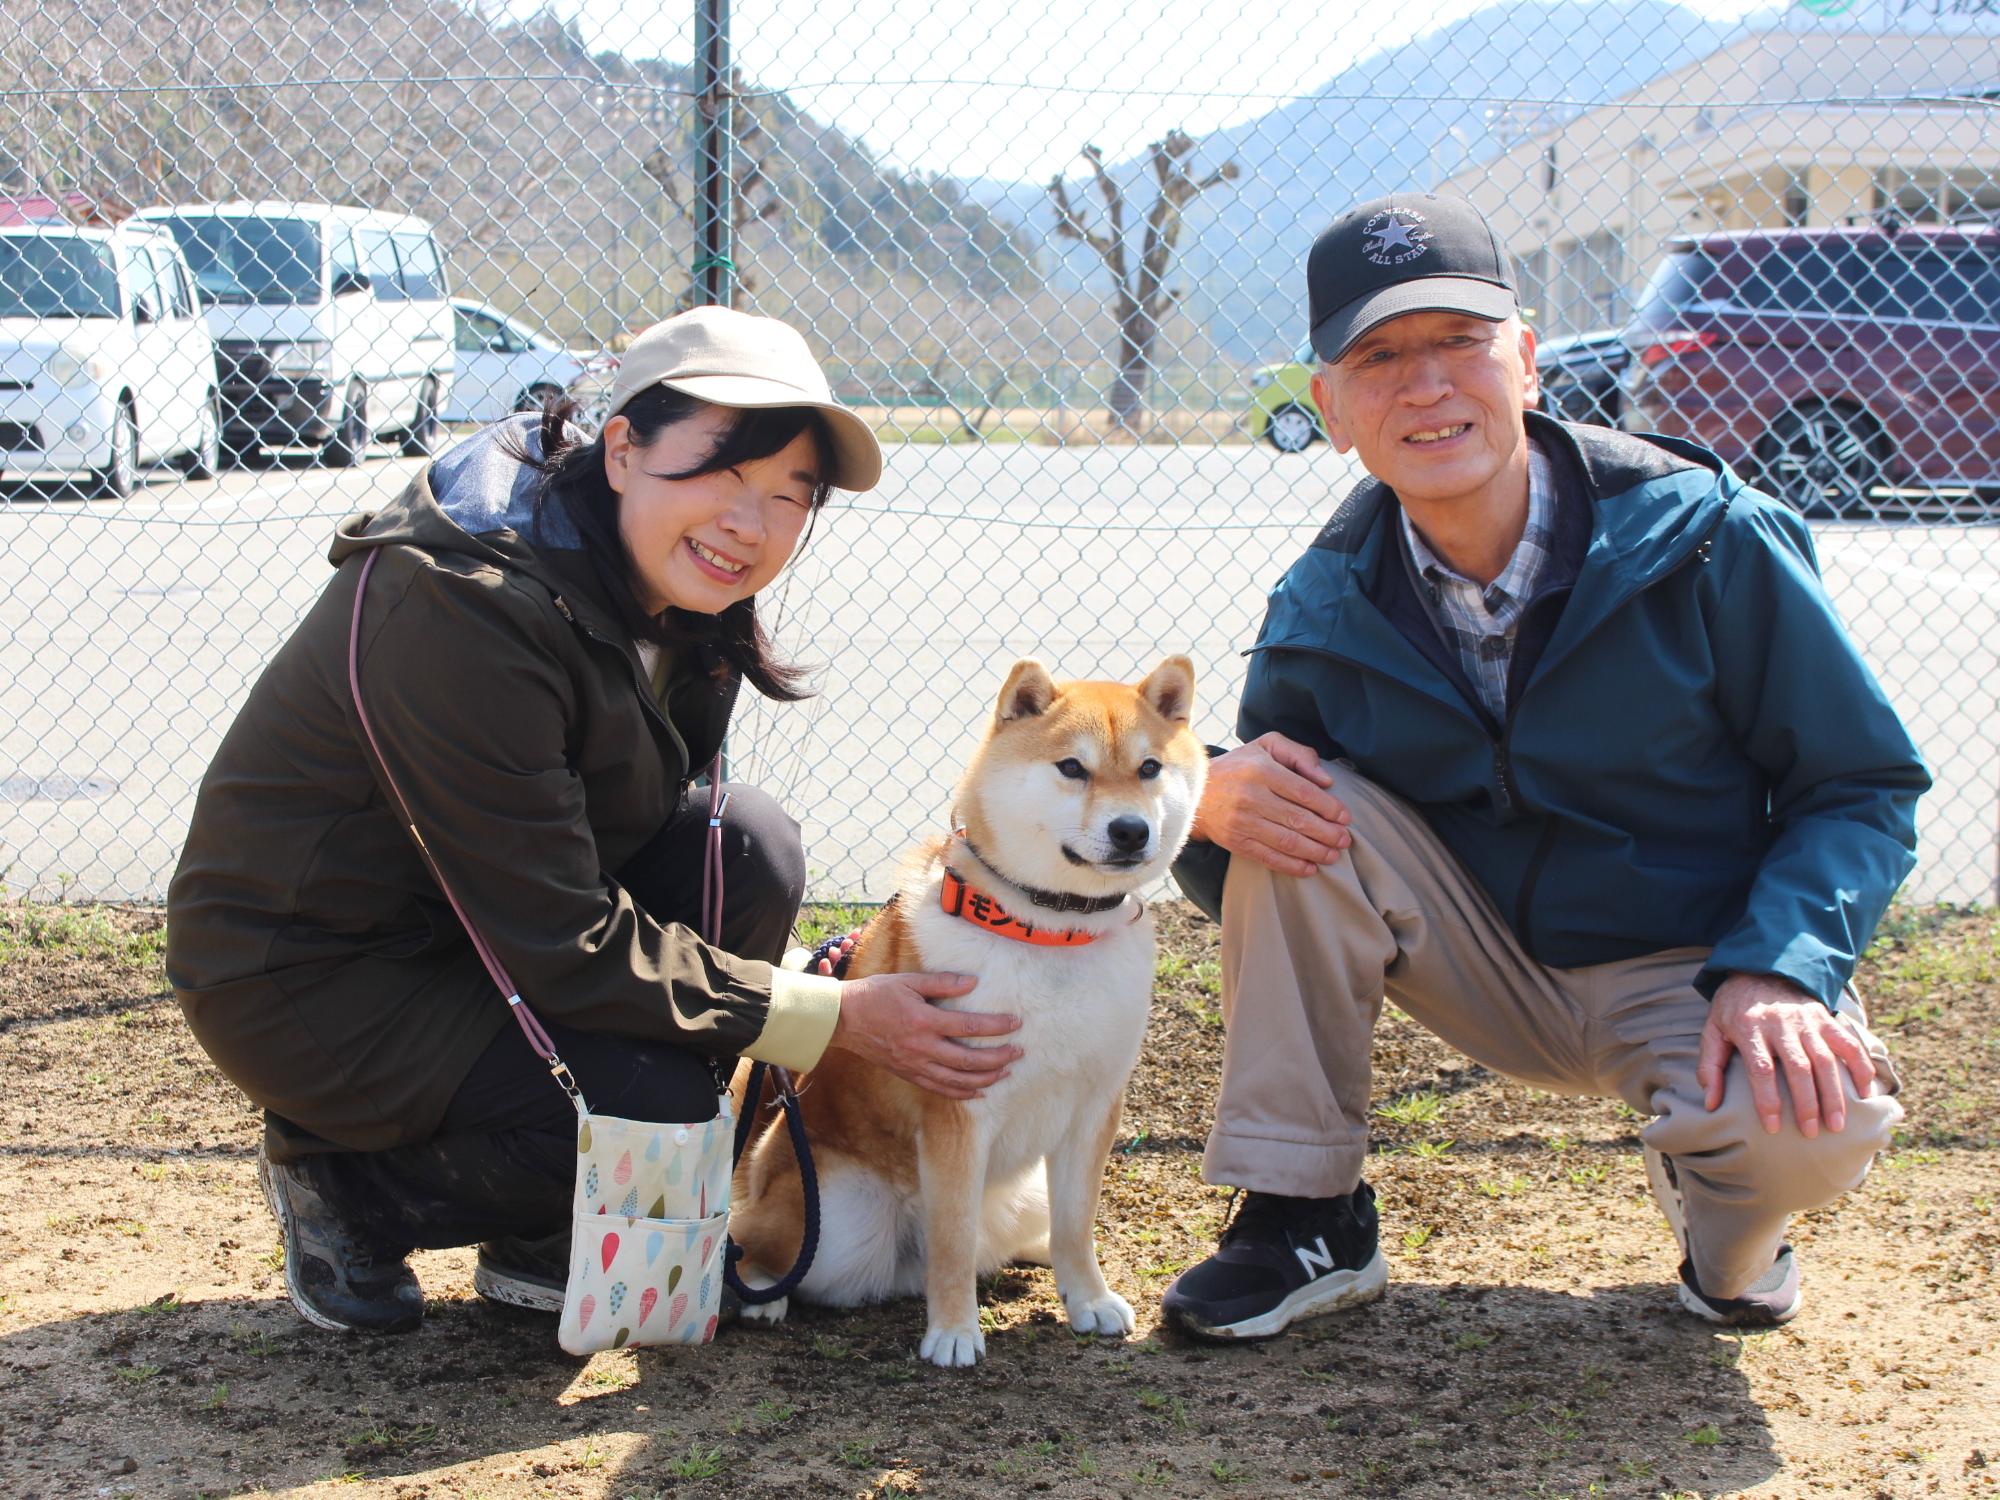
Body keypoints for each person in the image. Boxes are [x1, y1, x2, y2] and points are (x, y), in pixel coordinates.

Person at [166, 307, 1023, 1336]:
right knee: (654, 1112)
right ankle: (346, 1183)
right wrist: (831, 1013)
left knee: (742, 849)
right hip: (322, 974)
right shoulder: (464, 604)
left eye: (788, 497)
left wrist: (778, 997)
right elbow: (562, 939)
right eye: (720, 472)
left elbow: (638, 848)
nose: (751, 524)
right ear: (622, 448)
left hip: (485, 931)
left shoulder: (676, 591)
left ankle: (544, 1220)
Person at [1160, 193, 1927, 1341]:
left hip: (1695, 965)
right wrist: (1201, 797)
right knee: (1282, 796)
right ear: (1328, 407)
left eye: (1458, 343)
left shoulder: (1709, 537)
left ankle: (1728, 1222)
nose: (1424, 386)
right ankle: (1302, 1211)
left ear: (1524, 364)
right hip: (1480, 966)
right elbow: (1262, 879)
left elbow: (1855, 785)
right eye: (1377, 357)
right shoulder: (1320, 601)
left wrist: (1779, 967)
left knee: (1803, 1128)